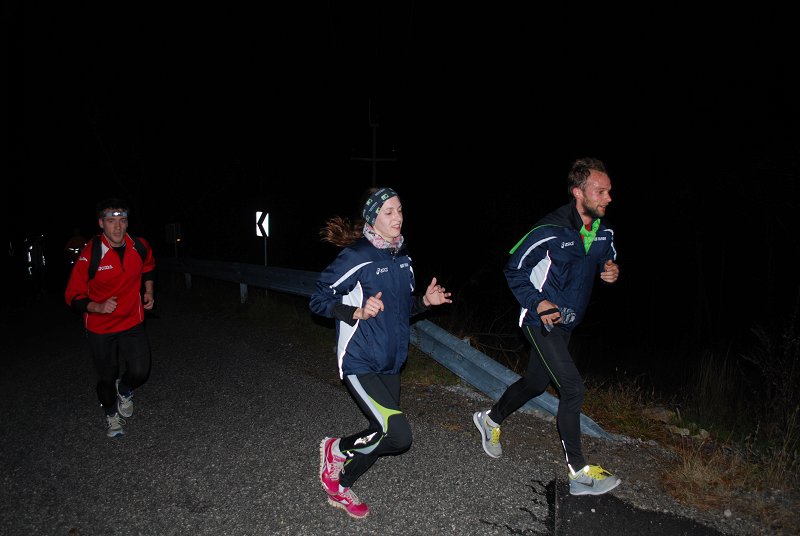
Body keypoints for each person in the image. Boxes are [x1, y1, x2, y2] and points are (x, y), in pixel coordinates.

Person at [473, 157, 622, 496]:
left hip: (567, 322)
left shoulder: (604, 231)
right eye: (600, 191)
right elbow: (514, 269)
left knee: (536, 383)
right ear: (578, 193)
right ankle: (579, 473)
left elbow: (606, 257)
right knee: (573, 388)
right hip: (538, 319)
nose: (608, 198)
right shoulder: (550, 229)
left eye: (609, 191)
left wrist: (611, 270)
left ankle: (490, 419)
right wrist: (538, 302)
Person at [309, 187, 452, 519]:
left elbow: (401, 310)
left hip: (391, 361)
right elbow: (317, 300)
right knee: (398, 434)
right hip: (359, 359)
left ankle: (341, 484)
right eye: (388, 212)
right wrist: (355, 311)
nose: (397, 217)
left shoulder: (402, 257)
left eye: (400, 210)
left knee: (383, 431)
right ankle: (335, 449)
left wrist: (424, 303)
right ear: (372, 218)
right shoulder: (357, 256)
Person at [64, 198, 156, 438]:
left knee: (140, 372)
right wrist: (97, 306)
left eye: (122, 220)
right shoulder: (91, 254)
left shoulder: (139, 246)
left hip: (132, 321)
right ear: (101, 224)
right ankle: (111, 414)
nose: (118, 227)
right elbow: (72, 296)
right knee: (106, 377)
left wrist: (148, 290)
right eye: (111, 221)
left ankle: (124, 389)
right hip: (100, 328)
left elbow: (148, 266)